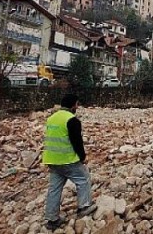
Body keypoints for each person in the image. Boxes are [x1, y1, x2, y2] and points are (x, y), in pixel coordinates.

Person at [43, 94, 96, 230]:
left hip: (51, 160)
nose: (77, 107)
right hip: (67, 160)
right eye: (77, 104)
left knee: (54, 188)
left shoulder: (51, 118)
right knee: (83, 179)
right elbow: (77, 142)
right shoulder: (72, 120)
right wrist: (83, 157)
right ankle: (84, 206)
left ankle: (52, 219)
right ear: (73, 105)